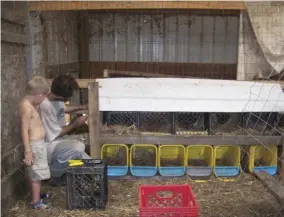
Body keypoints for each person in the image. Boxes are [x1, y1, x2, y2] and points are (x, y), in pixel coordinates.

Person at [39, 74, 91, 186]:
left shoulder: (53, 97)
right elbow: (56, 133)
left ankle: (65, 173)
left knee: (89, 163)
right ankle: (51, 176)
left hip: (57, 140)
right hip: (47, 145)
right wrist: (75, 124)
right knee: (77, 148)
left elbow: (64, 109)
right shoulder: (45, 106)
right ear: (64, 97)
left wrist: (82, 106)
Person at [18, 76, 51, 209]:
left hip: (38, 144)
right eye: (44, 96)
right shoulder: (27, 108)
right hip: (35, 145)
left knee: (37, 170)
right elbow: (24, 130)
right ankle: (36, 202)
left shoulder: (28, 102)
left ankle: (37, 195)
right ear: (38, 95)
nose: (44, 100)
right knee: (37, 173)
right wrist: (28, 151)